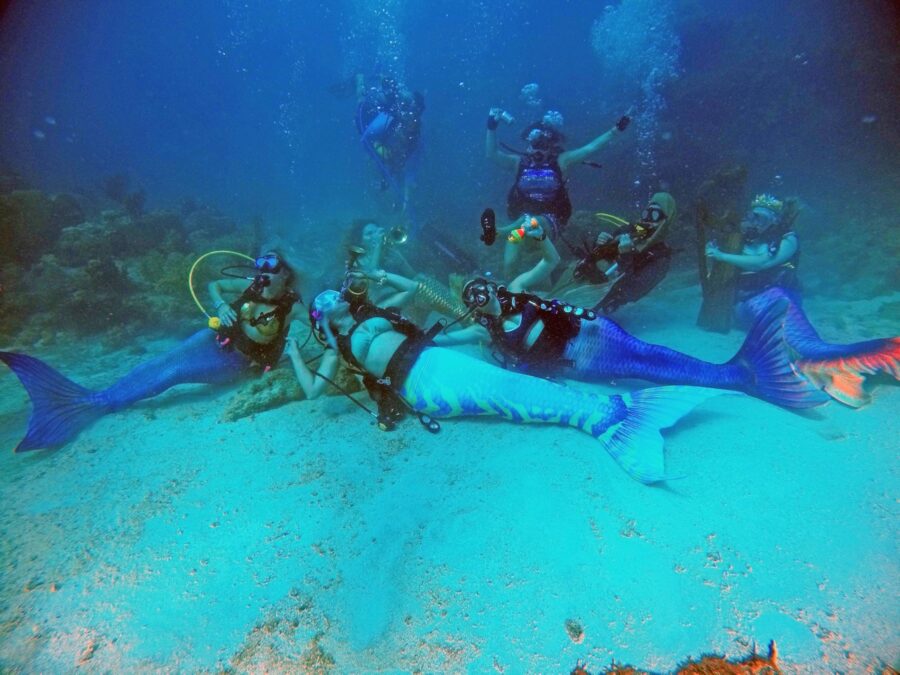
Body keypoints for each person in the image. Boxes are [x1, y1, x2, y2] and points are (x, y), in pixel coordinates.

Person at [290, 288, 721, 485]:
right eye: (321, 301)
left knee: (508, 383)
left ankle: (610, 413)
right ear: (318, 317)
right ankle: (606, 416)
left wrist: (387, 274)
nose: (330, 297)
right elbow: (311, 391)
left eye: (333, 294)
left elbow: (414, 298)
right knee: (503, 391)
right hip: (420, 385)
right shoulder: (336, 345)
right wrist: (295, 349)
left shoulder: (371, 314)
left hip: (436, 359)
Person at [435, 224, 825, 410]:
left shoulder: (517, 287)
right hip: (579, 363)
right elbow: (442, 341)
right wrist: (412, 332)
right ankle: (739, 375)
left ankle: (737, 374)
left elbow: (550, 261)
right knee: (645, 368)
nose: (479, 294)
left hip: (591, 330)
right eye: (472, 296)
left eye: (479, 286)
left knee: (647, 353)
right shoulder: (479, 331)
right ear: (471, 305)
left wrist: (539, 235)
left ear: (487, 285)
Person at [0, 250, 302, 451]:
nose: (262, 273)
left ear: (286, 274)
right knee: (162, 361)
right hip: (213, 338)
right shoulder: (250, 287)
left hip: (236, 362)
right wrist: (221, 305)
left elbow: (300, 330)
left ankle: (91, 405)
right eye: (261, 265)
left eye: (271, 268)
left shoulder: (290, 307)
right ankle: (92, 399)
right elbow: (214, 286)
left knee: (174, 373)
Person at [706, 194, 899, 406]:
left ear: (775, 219)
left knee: (807, 346)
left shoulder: (788, 239)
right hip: (740, 305)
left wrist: (721, 255)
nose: (756, 221)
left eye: (763, 217)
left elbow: (762, 263)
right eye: (753, 216)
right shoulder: (739, 237)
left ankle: (869, 360)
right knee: (789, 340)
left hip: (774, 296)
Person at [485, 107, 630, 276]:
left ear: (551, 147)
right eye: (535, 145)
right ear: (529, 145)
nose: (539, 150)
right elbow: (491, 154)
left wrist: (616, 130)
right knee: (510, 260)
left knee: (529, 222)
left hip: (551, 221)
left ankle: (499, 232)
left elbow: (590, 148)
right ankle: (510, 288)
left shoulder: (562, 161)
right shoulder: (518, 162)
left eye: (544, 146)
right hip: (521, 225)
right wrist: (491, 127)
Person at [578, 192, 677, 314]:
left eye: (655, 215)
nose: (648, 219)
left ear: (665, 221)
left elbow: (631, 290)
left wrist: (626, 256)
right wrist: (600, 243)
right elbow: (595, 255)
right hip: (583, 283)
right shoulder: (628, 230)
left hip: (600, 301)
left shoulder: (661, 258)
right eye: (647, 213)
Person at [355, 74, 425, 215]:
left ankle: (397, 208)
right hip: (370, 127)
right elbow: (368, 140)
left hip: (391, 150)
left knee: (395, 168)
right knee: (361, 100)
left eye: (416, 115)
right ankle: (359, 81)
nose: (413, 119)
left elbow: (411, 159)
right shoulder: (388, 119)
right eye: (411, 114)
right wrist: (381, 151)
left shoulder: (415, 129)